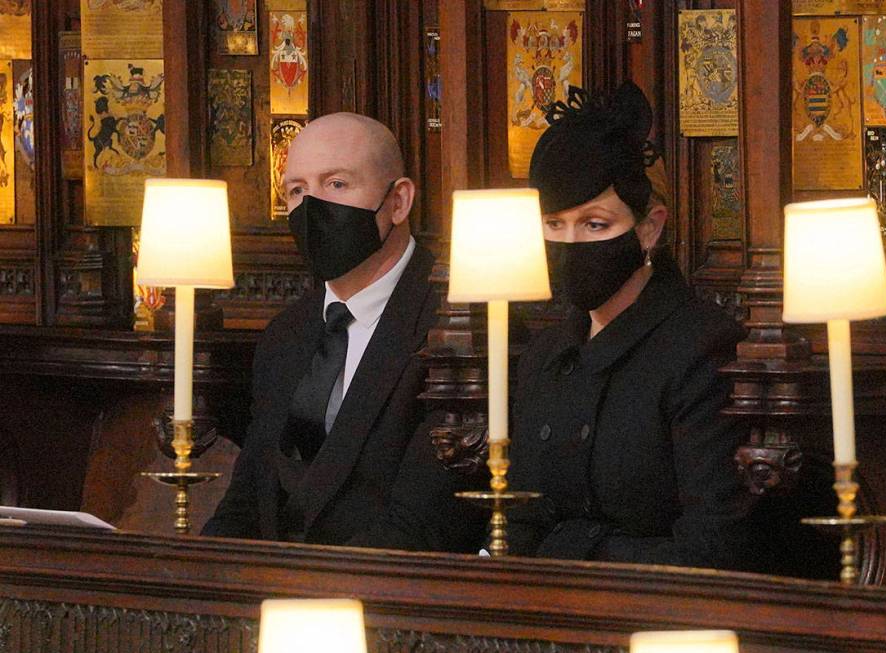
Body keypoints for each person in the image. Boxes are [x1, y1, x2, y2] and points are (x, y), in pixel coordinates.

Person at [203, 113, 483, 552]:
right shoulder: (285, 334)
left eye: (336, 184)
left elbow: (422, 523)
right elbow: (249, 500)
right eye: (298, 191)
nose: (312, 208)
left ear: (398, 201)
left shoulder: (455, 327)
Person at [506, 83, 758, 571]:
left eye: (595, 224)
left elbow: (712, 547)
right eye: (553, 225)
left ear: (649, 227)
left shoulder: (703, 347)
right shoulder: (546, 354)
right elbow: (519, 519)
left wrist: (572, 548)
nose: (570, 242)